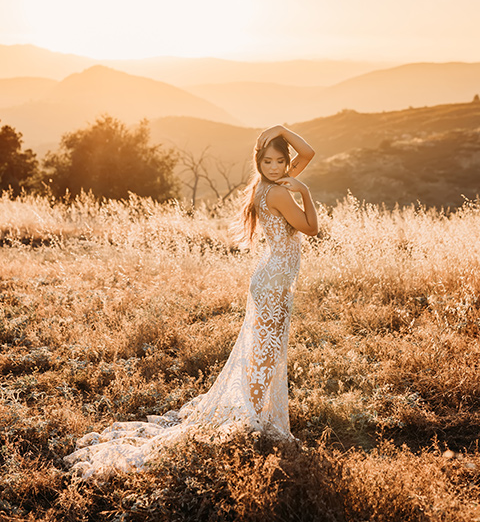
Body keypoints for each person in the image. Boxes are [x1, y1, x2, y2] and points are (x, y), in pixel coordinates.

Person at [64, 125, 317, 478]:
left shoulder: (268, 185)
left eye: (280, 161)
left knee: (265, 349)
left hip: (271, 277)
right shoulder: (280, 192)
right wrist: (304, 190)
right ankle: (254, 419)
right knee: (266, 350)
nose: (275, 167)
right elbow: (311, 228)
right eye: (267, 160)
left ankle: (255, 415)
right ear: (258, 161)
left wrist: (280, 131)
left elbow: (308, 154)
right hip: (273, 280)